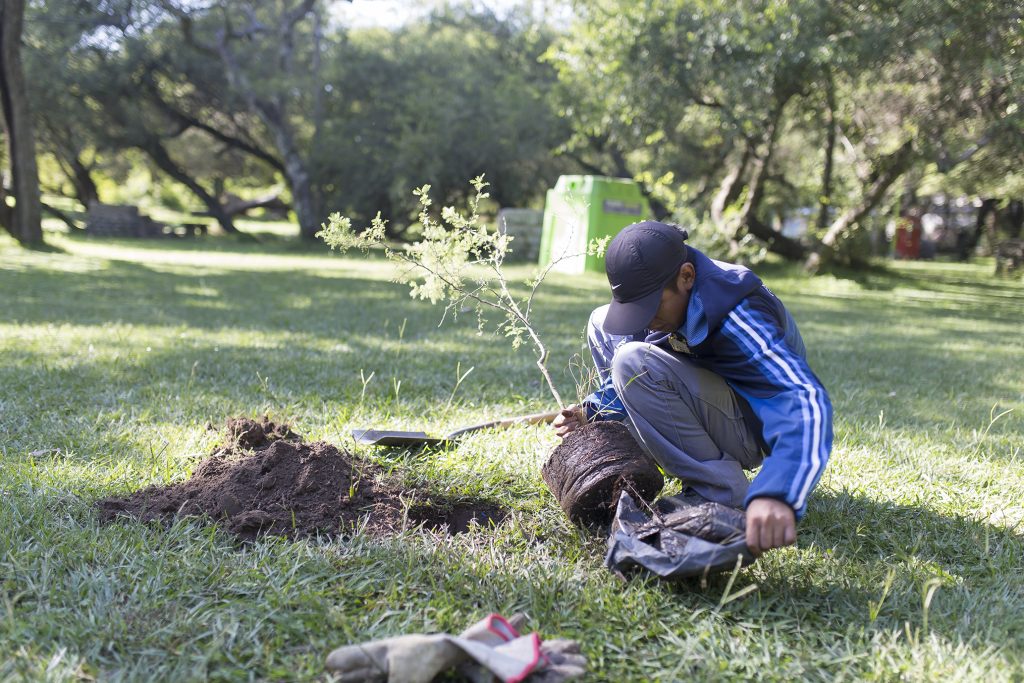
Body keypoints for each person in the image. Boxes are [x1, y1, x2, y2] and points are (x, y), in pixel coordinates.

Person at [553, 221, 833, 556]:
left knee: (631, 359)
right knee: (604, 323)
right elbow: (653, 353)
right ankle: (637, 456)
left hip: (749, 427)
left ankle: (719, 490)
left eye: (650, 306)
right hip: (708, 396)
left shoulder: (739, 315)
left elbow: (805, 400)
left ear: (687, 276)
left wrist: (778, 491)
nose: (643, 320)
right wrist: (595, 409)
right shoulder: (674, 297)